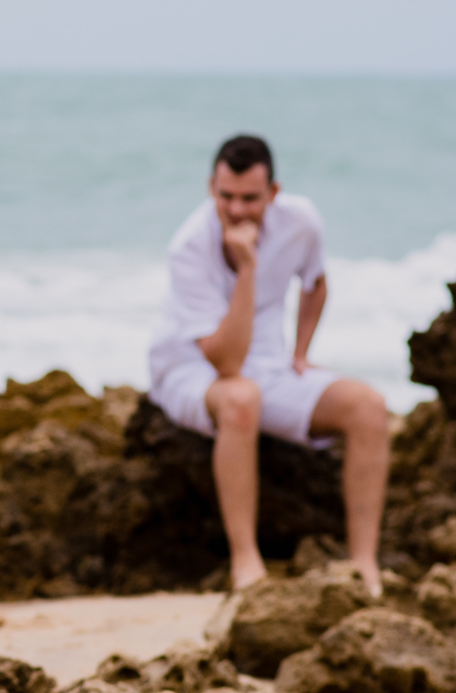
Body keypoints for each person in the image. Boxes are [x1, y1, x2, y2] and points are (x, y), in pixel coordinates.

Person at [148, 134, 388, 595]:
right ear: (210, 188)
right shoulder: (188, 248)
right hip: (189, 369)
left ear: (273, 193)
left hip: (270, 365)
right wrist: (249, 268)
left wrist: (301, 352)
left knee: (369, 407)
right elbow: (226, 361)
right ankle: (246, 562)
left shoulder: (301, 221)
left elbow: (316, 282)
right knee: (241, 399)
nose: (236, 210)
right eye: (226, 197)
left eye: (250, 199)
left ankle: (364, 564)